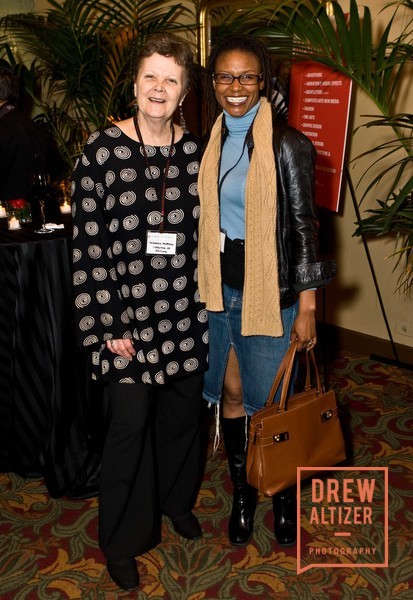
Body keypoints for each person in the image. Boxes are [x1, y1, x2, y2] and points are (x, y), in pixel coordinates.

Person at [71, 34, 208, 591]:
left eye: (170, 80)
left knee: (181, 419)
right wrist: (109, 324)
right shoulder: (101, 152)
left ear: (184, 92)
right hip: (126, 321)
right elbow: (87, 245)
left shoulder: (196, 152)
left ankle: (176, 503)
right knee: (129, 427)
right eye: (150, 77)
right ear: (134, 86)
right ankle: (121, 540)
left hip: (185, 315)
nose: (159, 88)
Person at [198, 35, 336, 549]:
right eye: (225, 77)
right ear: (212, 83)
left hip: (271, 295)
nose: (236, 87)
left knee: (271, 405)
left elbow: (305, 229)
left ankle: (279, 495)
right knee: (232, 395)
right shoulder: (209, 138)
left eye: (247, 77)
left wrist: (307, 305)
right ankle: (242, 494)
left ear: (265, 82)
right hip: (219, 293)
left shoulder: (288, 143)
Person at [0, 65, 64, 210]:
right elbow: (57, 170)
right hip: (41, 214)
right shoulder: (36, 128)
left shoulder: (4, 128)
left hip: (6, 221)